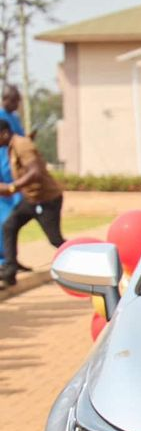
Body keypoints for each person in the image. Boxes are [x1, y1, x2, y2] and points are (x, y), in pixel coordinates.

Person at [0, 119, 65, 288]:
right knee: (9, 226)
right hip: (31, 200)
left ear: (4, 133)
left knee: (55, 240)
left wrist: (13, 187)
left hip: (47, 200)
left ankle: (86, 261)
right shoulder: (12, 147)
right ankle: (9, 272)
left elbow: (35, 172)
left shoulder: (21, 145)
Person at [0, 86, 25, 270]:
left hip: (15, 171)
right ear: (6, 99)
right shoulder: (2, 116)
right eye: (14, 100)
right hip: (4, 169)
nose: (17, 104)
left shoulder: (14, 118)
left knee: (12, 221)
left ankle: (11, 259)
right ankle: (5, 260)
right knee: (5, 220)